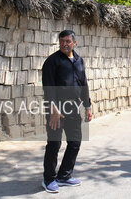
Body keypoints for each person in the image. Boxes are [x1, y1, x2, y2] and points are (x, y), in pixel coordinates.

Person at [41, 30, 93, 193]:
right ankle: (49, 179)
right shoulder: (52, 61)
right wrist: (53, 109)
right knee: (54, 143)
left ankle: (64, 176)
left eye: (68, 41)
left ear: (74, 43)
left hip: (73, 108)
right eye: (62, 41)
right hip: (56, 108)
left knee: (75, 142)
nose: (64, 44)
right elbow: (48, 87)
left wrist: (87, 106)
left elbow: (83, 84)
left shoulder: (79, 61)